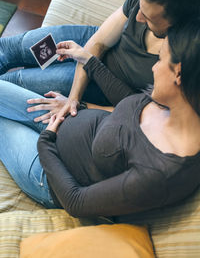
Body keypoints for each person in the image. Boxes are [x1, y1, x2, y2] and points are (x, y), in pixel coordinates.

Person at [1, 18, 200, 222]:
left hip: (49, 170)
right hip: (60, 120)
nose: (153, 68)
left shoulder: (161, 174)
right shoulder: (172, 104)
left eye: (159, 60)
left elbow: (75, 201)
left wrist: (46, 142)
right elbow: (131, 102)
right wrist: (89, 62)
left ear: (178, 73)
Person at [0, 0, 200, 124]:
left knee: (11, 83)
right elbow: (99, 42)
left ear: (179, 21)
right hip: (87, 45)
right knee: (10, 48)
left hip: (104, 84)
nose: (137, 18)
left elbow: (146, 117)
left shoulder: (186, 61)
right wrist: (73, 98)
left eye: (149, 19)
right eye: (139, 7)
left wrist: (79, 104)